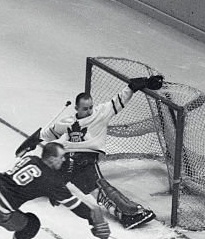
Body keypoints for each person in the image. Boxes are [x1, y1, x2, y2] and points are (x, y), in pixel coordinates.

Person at [15, 74, 165, 229]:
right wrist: (31, 142)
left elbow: (120, 98)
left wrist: (138, 85)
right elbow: (46, 134)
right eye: (85, 109)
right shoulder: (67, 122)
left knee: (96, 189)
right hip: (65, 160)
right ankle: (16, 186)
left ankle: (126, 213)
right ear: (76, 109)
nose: (88, 111)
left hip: (84, 158)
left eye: (90, 107)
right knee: (53, 182)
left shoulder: (101, 113)